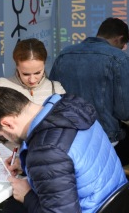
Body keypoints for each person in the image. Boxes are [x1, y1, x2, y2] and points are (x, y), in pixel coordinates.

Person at [0, 86, 128, 213]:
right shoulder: (69, 106)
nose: (7, 138)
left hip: (93, 208)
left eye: (2, 135)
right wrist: (25, 163)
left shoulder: (46, 152)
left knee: (12, 207)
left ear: (8, 123)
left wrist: (27, 195)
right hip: (116, 197)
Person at [49, 17, 129, 166]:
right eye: (124, 45)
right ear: (120, 39)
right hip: (107, 140)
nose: (123, 48)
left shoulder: (64, 54)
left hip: (68, 138)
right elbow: (124, 111)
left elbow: (53, 98)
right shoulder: (119, 59)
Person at [0, 38, 65, 144]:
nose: (32, 79)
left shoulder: (56, 89)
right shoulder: (2, 86)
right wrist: (3, 127)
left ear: (44, 65)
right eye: (25, 74)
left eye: (37, 72)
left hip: (44, 154)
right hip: (7, 155)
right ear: (17, 66)